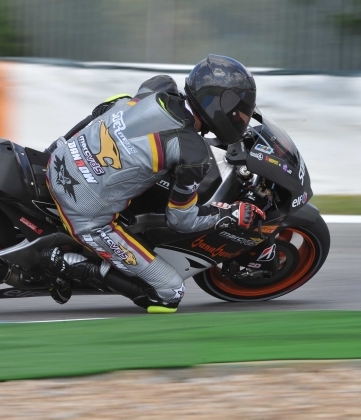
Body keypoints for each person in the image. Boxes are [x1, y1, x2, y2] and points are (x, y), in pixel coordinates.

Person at [41, 54, 265, 313]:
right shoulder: (193, 154)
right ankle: (70, 265)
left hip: (58, 158)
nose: (241, 115)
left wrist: (59, 146)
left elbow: (102, 110)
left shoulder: (156, 88)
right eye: (238, 109)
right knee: (170, 292)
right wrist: (229, 214)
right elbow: (182, 221)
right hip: (84, 211)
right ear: (218, 105)